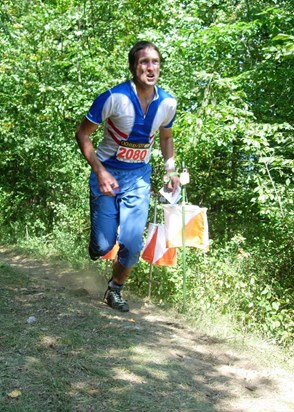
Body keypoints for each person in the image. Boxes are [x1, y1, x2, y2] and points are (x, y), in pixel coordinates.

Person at [75, 40, 180, 312]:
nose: (150, 67)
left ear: (160, 67)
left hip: (139, 178)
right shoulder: (114, 98)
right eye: (144, 62)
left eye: (155, 62)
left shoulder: (168, 103)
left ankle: (114, 290)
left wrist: (171, 170)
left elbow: (166, 138)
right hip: (107, 174)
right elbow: (82, 134)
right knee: (102, 244)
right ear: (134, 67)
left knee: (133, 243)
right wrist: (99, 170)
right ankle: (98, 243)